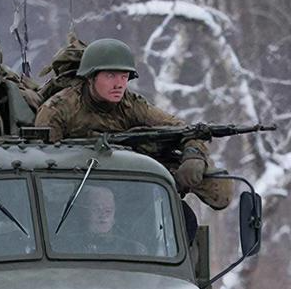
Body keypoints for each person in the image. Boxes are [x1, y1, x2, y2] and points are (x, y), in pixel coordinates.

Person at [34, 38, 232, 212]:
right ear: (90, 77)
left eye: (124, 76)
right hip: (79, 187)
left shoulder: (131, 104)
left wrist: (194, 154)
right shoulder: (57, 110)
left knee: (216, 190)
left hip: (126, 178)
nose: (119, 84)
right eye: (110, 76)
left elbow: (182, 130)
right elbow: (44, 165)